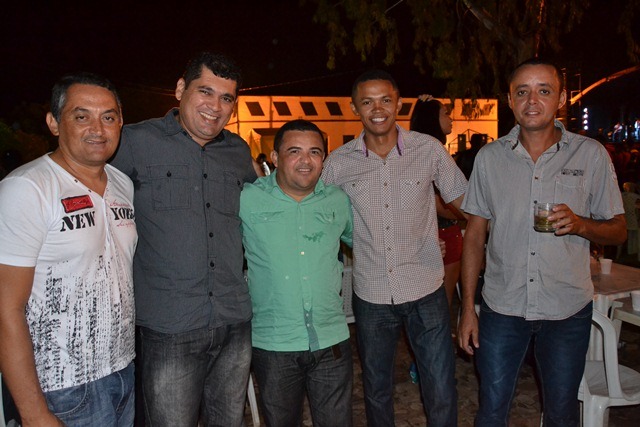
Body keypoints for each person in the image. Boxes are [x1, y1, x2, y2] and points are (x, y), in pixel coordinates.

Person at [458, 58, 626, 426]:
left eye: (544, 91)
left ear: (561, 99)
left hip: (566, 307)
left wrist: (581, 224)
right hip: (503, 305)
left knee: (561, 413)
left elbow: (618, 230)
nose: (532, 100)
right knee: (491, 410)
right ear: (510, 100)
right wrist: (468, 307)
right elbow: (475, 235)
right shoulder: (490, 158)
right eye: (522, 92)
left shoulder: (591, 154)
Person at [110, 52, 259, 426]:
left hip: (233, 320)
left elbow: (264, 211)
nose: (215, 107)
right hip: (169, 326)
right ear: (180, 89)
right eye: (205, 92)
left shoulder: (238, 152)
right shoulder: (134, 142)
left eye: (226, 98)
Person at [321, 69, 467, 426]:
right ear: (355, 108)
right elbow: (318, 217)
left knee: (441, 388)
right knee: (376, 390)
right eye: (367, 102)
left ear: (398, 103)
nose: (378, 109)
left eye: (385, 100)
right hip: (371, 294)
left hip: (426, 289)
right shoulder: (338, 163)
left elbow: (467, 205)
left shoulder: (428, 149)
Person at [0, 72, 137, 426]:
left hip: (123, 372)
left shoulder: (122, 184)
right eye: (81, 116)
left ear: (121, 123)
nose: (98, 129)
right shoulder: (27, 188)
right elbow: (6, 308)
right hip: (60, 389)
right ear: (53, 123)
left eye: (109, 117)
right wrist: (34, 414)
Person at [240, 119, 354, 427]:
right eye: (294, 151)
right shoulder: (248, 200)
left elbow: (367, 245)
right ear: (275, 157)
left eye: (315, 152)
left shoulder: (338, 200)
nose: (306, 160)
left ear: (323, 159)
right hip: (273, 344)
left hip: (331, 341)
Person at [410, 97, 465, 306]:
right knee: (439, 302)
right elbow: (438, 204)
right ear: (432, 118)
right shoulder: (425, 152)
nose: (451, 119)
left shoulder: (425, 150)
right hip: (440, 234)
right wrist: (468, 215)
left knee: (439, 301)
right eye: (445, 113)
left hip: (443, 233)